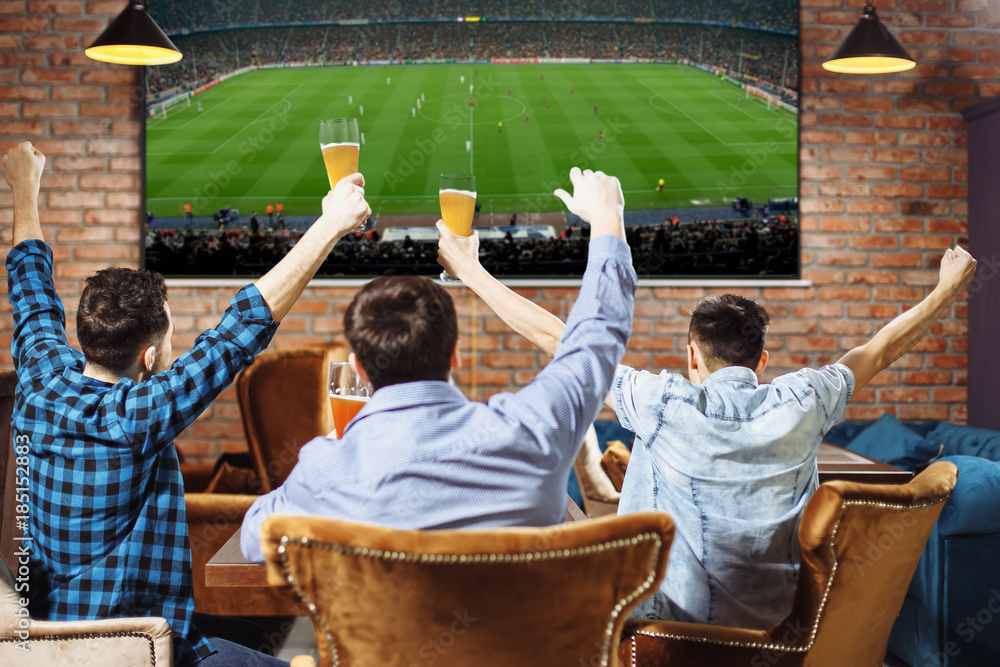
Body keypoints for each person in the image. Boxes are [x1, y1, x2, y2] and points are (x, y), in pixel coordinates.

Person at [433, 206, 978, 631]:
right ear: (762, 361)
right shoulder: (806, 399)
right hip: (783, 627)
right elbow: (879, 349)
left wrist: (471, 270)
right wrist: (945, 291)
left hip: (667, 627)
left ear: (692, 356)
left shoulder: (662, 401)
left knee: (546, 504)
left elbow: (562, 340)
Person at [2, 141, 371, 666]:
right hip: (131, 649)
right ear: (149, 357)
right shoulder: (137, 415)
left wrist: (25, 190)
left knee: (262, 631)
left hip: (52, 639)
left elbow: (31, 286)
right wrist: (331, 223)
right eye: (173, 336)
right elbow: (240, 330)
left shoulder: (41, 381)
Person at [239, 167, 636, 562]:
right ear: (455, 354)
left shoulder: (328, 470)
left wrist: (331, 446)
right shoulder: (531, 431)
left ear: (359, 368)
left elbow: (254, 540)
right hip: (516, 626)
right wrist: (607, 219)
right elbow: (595, 339)